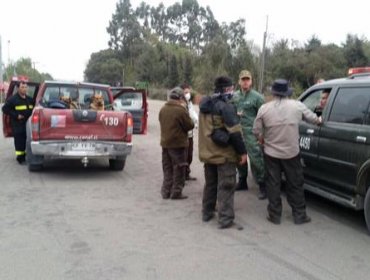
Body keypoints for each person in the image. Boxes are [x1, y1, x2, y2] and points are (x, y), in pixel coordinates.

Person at [253, 79, 321, 225]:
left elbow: (256, 131)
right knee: (295, 183)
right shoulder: (298, 106)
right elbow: (314, 119)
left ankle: (274, 215)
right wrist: (320, 120)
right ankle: (299, 215)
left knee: (273, 184)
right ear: (287, 92)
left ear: (274, 93)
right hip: (292, 153)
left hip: (271, 154)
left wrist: (261, 139)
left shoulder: (264, 109)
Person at [198, 76, 248, 229]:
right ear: (225, 90)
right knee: (226, 185)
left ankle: (207, 212)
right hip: (223, 155)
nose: (232, 91)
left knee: (210, 184)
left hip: (208, 154)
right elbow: (234, 133)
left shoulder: (205, 105)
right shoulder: (225, 106)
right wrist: (243, 152)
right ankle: (225, 219)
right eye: (230, 88)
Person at [232, 70, 266, 199]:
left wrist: (262, 135)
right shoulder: (234, 97)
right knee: (240, 158)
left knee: (256, 159)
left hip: (252, 133)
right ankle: (242, 181)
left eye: (247, 79)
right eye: (243, 79)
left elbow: (264, 117)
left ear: (251, 81)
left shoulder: (257, 97)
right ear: (239, 81)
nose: (245, 82)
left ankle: (263, 185)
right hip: (238, 132)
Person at [159, 87, 194, 200]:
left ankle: (166, 191)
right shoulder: (180, 110)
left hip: (165, 144)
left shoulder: (163, 109)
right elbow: (190, 125)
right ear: (180, 98)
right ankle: (176, 192)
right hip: (178, 145)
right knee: (179, 169)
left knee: (167, 168)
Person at [2, 80, 34, 164]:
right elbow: (4, 109)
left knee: (26, 140)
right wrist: (16, 115)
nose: (24, 89)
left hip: (27, 124)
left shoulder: (30, 99)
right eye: (22, 87)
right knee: (19, 141)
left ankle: (25, 155)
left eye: (25, 87)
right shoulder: (13, 99)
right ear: (18, 88)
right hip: (17, 124)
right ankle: (20, 158)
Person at [181, 83, 198, 181]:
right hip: (183, 135)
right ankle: (182, 175)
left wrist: (196, 123)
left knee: (189, 156)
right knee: (183, 156)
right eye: (186, 92)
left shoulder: (189, 103)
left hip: (190, 133)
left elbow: (193, 115)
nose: (188, 94)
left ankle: (187, 173)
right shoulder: (180, 104)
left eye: (189, 92)